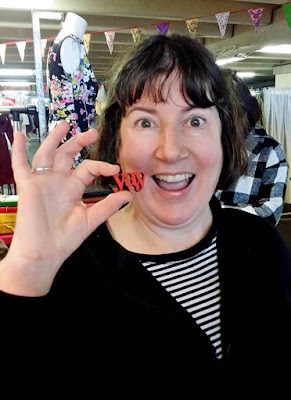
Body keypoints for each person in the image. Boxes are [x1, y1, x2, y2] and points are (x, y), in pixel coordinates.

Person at [0, 34, 290, 394]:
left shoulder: (260, 243)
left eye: (195, 121)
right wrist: (27, 266)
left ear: (223, 138)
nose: (171, 151)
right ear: (116, 144)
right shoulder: (68, 267)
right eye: (146, 122)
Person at [216, 70, 288, 225]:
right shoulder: (203, 142)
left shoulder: (269, 151)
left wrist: (216, 214)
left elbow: (270, 213)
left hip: (244, 243)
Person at [47, 12, 98, 169]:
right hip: (74, 135)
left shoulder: (60, 43)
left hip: (66, 131)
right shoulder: (70, 42)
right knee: (78, 186)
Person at [0, 113, 15, 194]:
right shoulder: (5, 116)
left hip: (2, 146)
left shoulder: (5, 115)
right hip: (2, 145)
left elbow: (10, 131)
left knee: (4, 167)